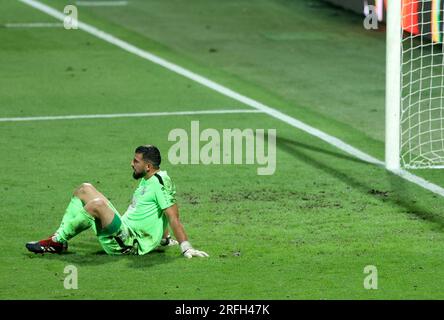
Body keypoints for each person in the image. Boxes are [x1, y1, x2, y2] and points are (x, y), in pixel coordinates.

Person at [26, 145, 209, 259]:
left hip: (129, 243)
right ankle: (59, 239)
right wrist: (164, 239)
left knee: (96, 204)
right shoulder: (148, 180)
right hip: (124, 230)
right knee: (85, 189)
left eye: (136, 161)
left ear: (148, 166)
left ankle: (56, 241)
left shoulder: (160, 183)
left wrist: (186, 247)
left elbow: (172, 215)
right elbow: (156, 210)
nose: (131, 163)